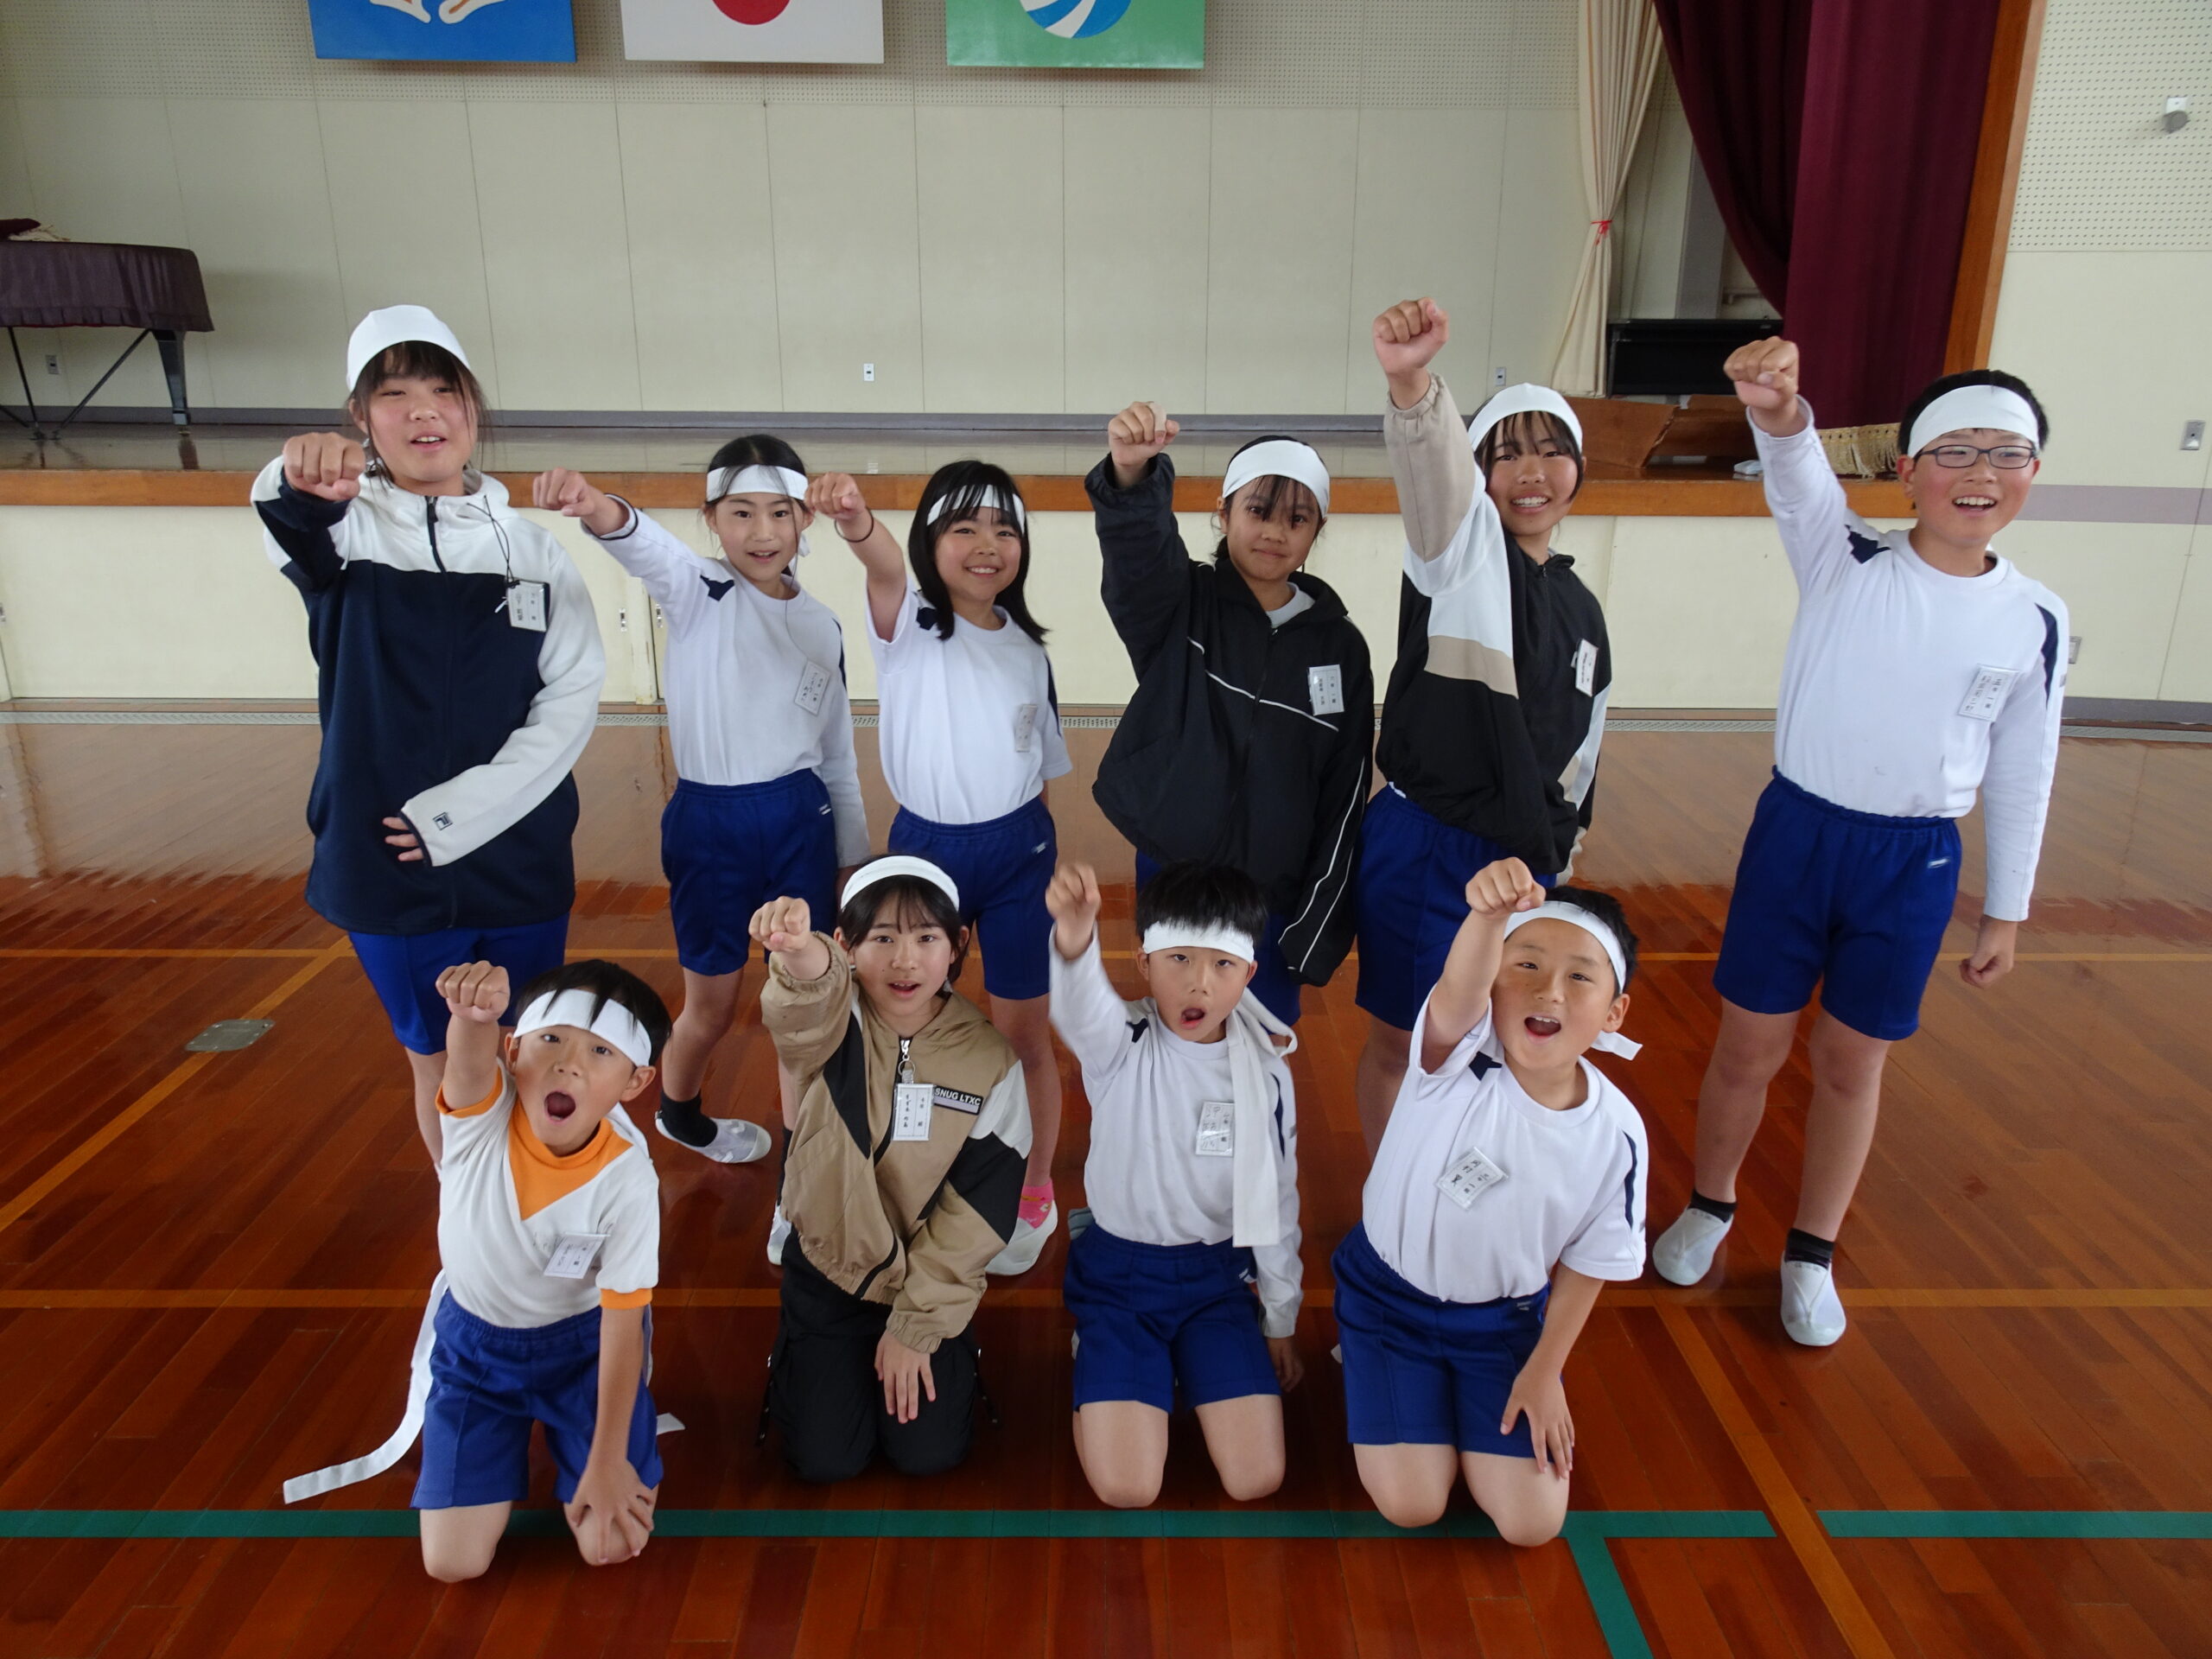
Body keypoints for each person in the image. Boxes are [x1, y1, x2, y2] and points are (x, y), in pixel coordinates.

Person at [1649, 339, 2069, 1348]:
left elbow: (2024, 765)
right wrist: (1777, 410)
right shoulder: (1846, 557)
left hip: (1914, 861)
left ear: (2032, 472)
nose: (1978, 473)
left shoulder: (2035, 618)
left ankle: (1811, 1253)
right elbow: (1797, 476)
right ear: (1909, 469)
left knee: (1850, 1063)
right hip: (1798, 835)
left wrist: (2005, 908)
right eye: (1955, 451)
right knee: (1749, 1045)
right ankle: (1710, 1203)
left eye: (2004, 453)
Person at [254, 305, 604, 1165]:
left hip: (519, 856)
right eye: (394, 394)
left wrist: (461, 812)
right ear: (360, 418)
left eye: (444, 392)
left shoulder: (533, 551)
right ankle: (470, 1221)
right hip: (388, 863)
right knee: (442, 1061)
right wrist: (299, 473)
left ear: (471, 410)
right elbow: (283, 507)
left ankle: (533, 1207)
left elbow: (570, 701)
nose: (424, 412)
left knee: (528, 1048)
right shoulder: (343, 529)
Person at [532, 441, 868, 1185]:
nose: (762, 532)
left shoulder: (823, 625)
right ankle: (679, 1114)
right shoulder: (697, 589)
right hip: (710, 827)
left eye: (779, 513)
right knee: (710, 1005)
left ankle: (802, 1175)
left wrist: (853, 858)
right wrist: (593, 505)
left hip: (800, 822)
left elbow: (838, 755)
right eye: (741, 513)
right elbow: (640, 542)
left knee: (805, 1008)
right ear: (712, 520)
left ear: (805, 519)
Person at [283, 957, 673, 1582]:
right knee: (452, 1564)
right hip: (476, 1354)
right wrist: (474, 1016)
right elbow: (466, 1059)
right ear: (513, 1052)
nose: (569, 1064)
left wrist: (607, 1461)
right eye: (551, 1039)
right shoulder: (479, 1116)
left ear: (636, 1081)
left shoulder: (628, 1179)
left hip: (582, 1350)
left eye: (601, 1050)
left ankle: (589, 1443)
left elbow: (625, 1327)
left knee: (609, 1547)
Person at [1354, 299, 1611, 1155]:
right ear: (1479, 473)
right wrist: (1412, 386)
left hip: (1521, 864)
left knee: (1492, 1046)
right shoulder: (1458, 556)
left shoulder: (1581, 608)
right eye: (1505, 454)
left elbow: (1581, 752)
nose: (1531, 471)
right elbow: (1433, 475)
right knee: (1406, 1041)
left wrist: (1561, 857)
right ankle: (1389, 1202)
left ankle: (1464, 1200)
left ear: (1578, 468)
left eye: (1551, 450)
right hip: (1425, 846)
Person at [1338, 858, 1647, 1543]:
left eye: (1580, 977)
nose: (1549, 991)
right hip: (1387, 1305)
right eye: (1525, 965)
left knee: (1532, 1524)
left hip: (1502, 1327)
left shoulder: (1618, 1134)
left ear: (1614, 1012)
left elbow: (1593, 1261)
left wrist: (1545, 1371)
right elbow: (1457, 990)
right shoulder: (1453, 1053)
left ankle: (1449, 1398)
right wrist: (1486, 917)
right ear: (1493, 985)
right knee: (1411, 1504)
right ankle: (1372, 1361)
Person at [829, 461, 1068, 1274]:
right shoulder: (909, 625)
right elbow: (881, 565)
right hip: (926, 853)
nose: (986, 545)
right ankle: (892, 1175)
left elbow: (1038, 768)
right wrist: (857, 522)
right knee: (903, 1025)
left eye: (1004, 529)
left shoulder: (1029, 649)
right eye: (963, 528)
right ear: (931, 543)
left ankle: (1032, 1188)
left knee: (1025, 1034)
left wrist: (1045, 860)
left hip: (1020, 852)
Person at [1080, 409, 1372, 1027]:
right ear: (1224, 512)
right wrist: (1132, 474)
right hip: (1174, 866)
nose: (1275, 532)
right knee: (1179, 1025)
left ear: (1318, 530)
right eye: (1258, 510)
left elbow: (1344, 792)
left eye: (1298, 519)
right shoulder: (1182, 601)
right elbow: (1138, 556)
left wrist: (1317, 920)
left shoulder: (1341, 648)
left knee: (1264, 1036)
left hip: (1273, 892)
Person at [755, 856, 1032, 1481]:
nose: (905, 961)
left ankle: (943, 1341)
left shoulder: (990, 1061)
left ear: (957, 945)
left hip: (923, 1279)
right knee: (825, 1461)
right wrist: (799, 950)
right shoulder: (832, 1024)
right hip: (830, 1269)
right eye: (882, 938)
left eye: (926, 938)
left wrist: (916, 1324)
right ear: (847, 945)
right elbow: (804, 997)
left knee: (928, 1453)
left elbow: (981, 1209)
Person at [1046, 858, 1303, 1508]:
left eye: (1222, 965)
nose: (1199, 983)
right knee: (1128, 1488)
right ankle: (1103, 1351)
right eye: (1179, 959)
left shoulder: (1266, 1071)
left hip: (1216, 1281)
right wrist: (1075, 936)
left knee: (1256, 1478)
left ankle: (1179, 1365)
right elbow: (1080, 1010)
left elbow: (1276, 1199)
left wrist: (1280, 1317)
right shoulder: (1121, 1041)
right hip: (1120, 1281)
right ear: (1144, 963)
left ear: (1249, 973)